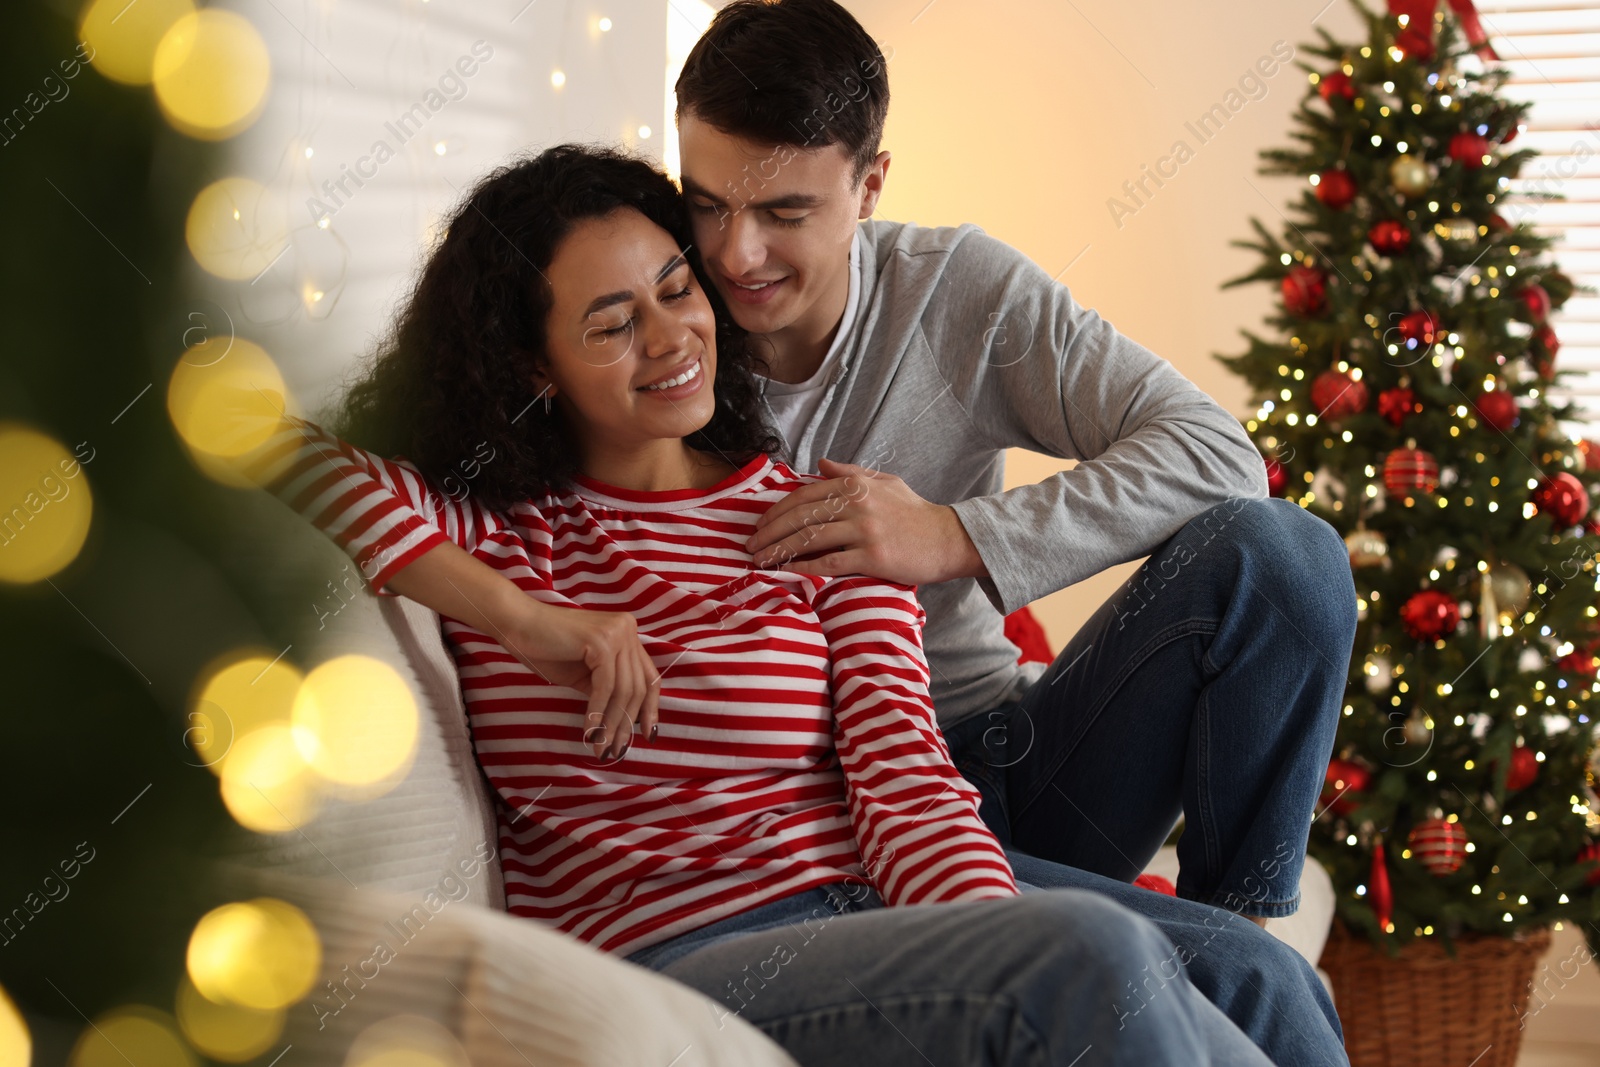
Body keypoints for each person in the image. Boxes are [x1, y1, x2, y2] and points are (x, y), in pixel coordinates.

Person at [242, 143, 1283, 1065]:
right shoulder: (494, 527)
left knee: (1253, 974)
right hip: (684, 957)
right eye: (611, 323)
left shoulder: (817, 514)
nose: (670, 338)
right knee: (1094, 950)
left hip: (869, 918)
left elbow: (905, 784)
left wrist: (985, 940)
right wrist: (531, 620)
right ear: (533, 368)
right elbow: (250, 428)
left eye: (674, 289)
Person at [666, 1, 1358, 1060]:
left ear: (870, 185)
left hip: (1001, 758)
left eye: (785, 211)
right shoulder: (656, 326)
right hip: (824, 816)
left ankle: (1229, 917)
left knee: (1283, 555)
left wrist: (955, 534)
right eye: (705, 202)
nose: (735, 252)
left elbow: (1218, 452)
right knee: (1251, 987)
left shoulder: (959, 293)